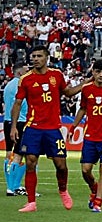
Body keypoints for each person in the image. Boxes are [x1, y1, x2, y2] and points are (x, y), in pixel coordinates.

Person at [14, 44, 84, 212]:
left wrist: (85, 84)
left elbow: (67, 92)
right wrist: (14, 127)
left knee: (61, 165)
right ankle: (31, 202)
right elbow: (17, 103)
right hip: (33, 127)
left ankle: (63, 190)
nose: (35, 59)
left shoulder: (56, 75)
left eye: (39, 56)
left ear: (47, 58)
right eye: (33, 56)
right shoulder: (26, 79)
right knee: (30, 162)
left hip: (53, 128)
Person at [78, 60, 102, 212]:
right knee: (85, 170)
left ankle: (98, 202)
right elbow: (83, 108)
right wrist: (74, 126)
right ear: (93, 72)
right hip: (90, 136)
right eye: (97, 72)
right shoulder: (86, 89)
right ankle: (94, 188)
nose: (100, 75)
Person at [3, 64, 28, 197]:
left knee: (9, 153)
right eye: (26, 70)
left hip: (7, 121)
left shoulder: (7, 86)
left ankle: (10, 186)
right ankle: (15, 186)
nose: (28, 72)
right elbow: (22, 104)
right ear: (19, 72)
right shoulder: (21, 85)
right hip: (20, 122)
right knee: (20, 154)